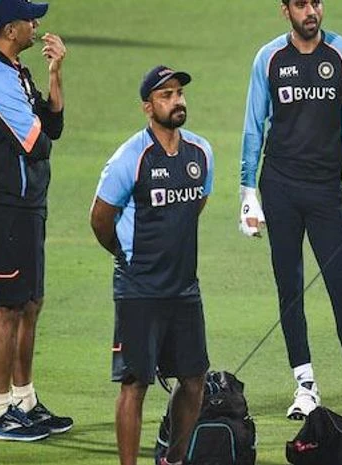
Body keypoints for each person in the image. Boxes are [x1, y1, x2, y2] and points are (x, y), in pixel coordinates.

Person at [238, 0, 342, 420]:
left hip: (327, 190)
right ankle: (305, 385)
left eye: (317, 3)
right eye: (302, 4)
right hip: (280, 187)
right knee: (289, 289)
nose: (312, 11)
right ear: (284, 10)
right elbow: (254, 124)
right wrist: (246, 189)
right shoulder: (268, 58)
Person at [90, 65, 213, 465]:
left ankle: (172, 461)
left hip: (184, 288)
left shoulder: (200, 152)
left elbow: (196, 206)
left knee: (194, 381)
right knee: (134, 383)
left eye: (179, 93)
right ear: (148, 106)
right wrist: (127, 256)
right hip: (139, 290)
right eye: (166, 95)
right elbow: (100, 219)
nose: (176, 101)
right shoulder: (130, 157)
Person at [0, 0, 72, 442]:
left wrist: (54, 75)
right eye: (30, 19)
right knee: (9, 306)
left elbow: (54, 124)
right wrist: (42, 126)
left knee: (31, 303)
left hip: (30, 201)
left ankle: (24, 401)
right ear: (10, 29)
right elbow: (37, 143)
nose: (37, 25)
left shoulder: (17, 71)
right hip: (6, 205)